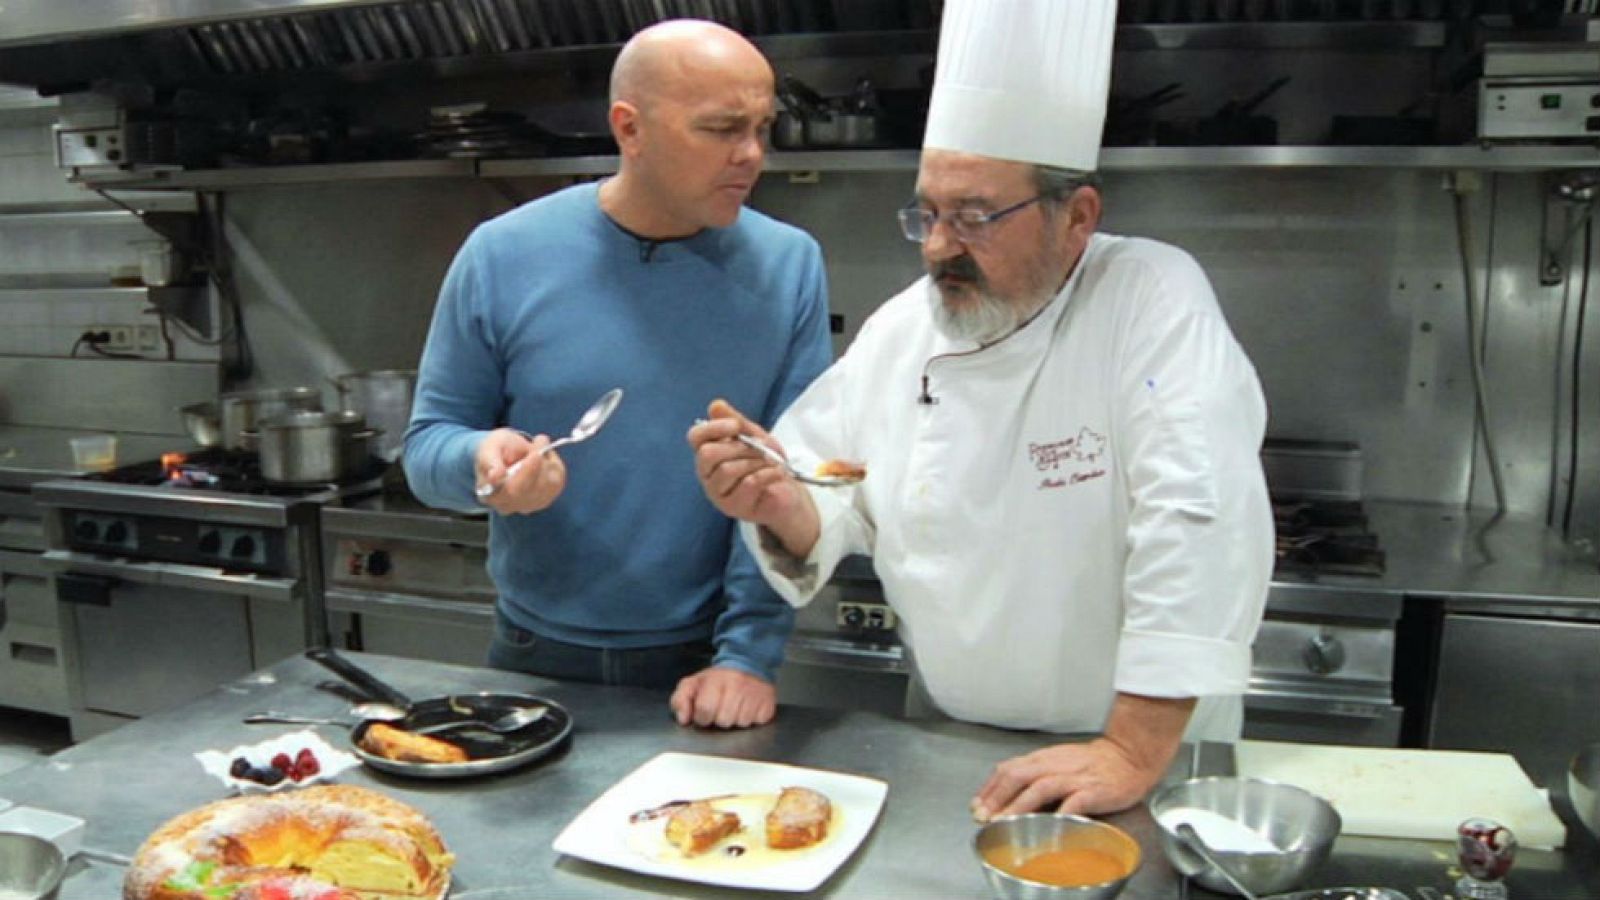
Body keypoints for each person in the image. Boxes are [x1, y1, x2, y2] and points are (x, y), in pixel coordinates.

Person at [689, 0, 1272, 814]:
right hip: (952, 741)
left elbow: (1195, 514)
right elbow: (832, 484)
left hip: (1140, 757)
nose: (938, 248)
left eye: (974, 217)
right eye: (927, 214)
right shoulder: (906, 328)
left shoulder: (1148, 297)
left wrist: (1131, 750)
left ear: (1078, 217)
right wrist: (781, 499)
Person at [405, 19, 832, 730]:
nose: (752, 155)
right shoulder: (502, 254)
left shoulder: (790, 267)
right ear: (629, 129)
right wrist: (479, 461)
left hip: (704, 668)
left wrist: (748, 656)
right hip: (532, 650)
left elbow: (790, 480)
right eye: (722, 128)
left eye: (763, 127)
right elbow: (425, 450)